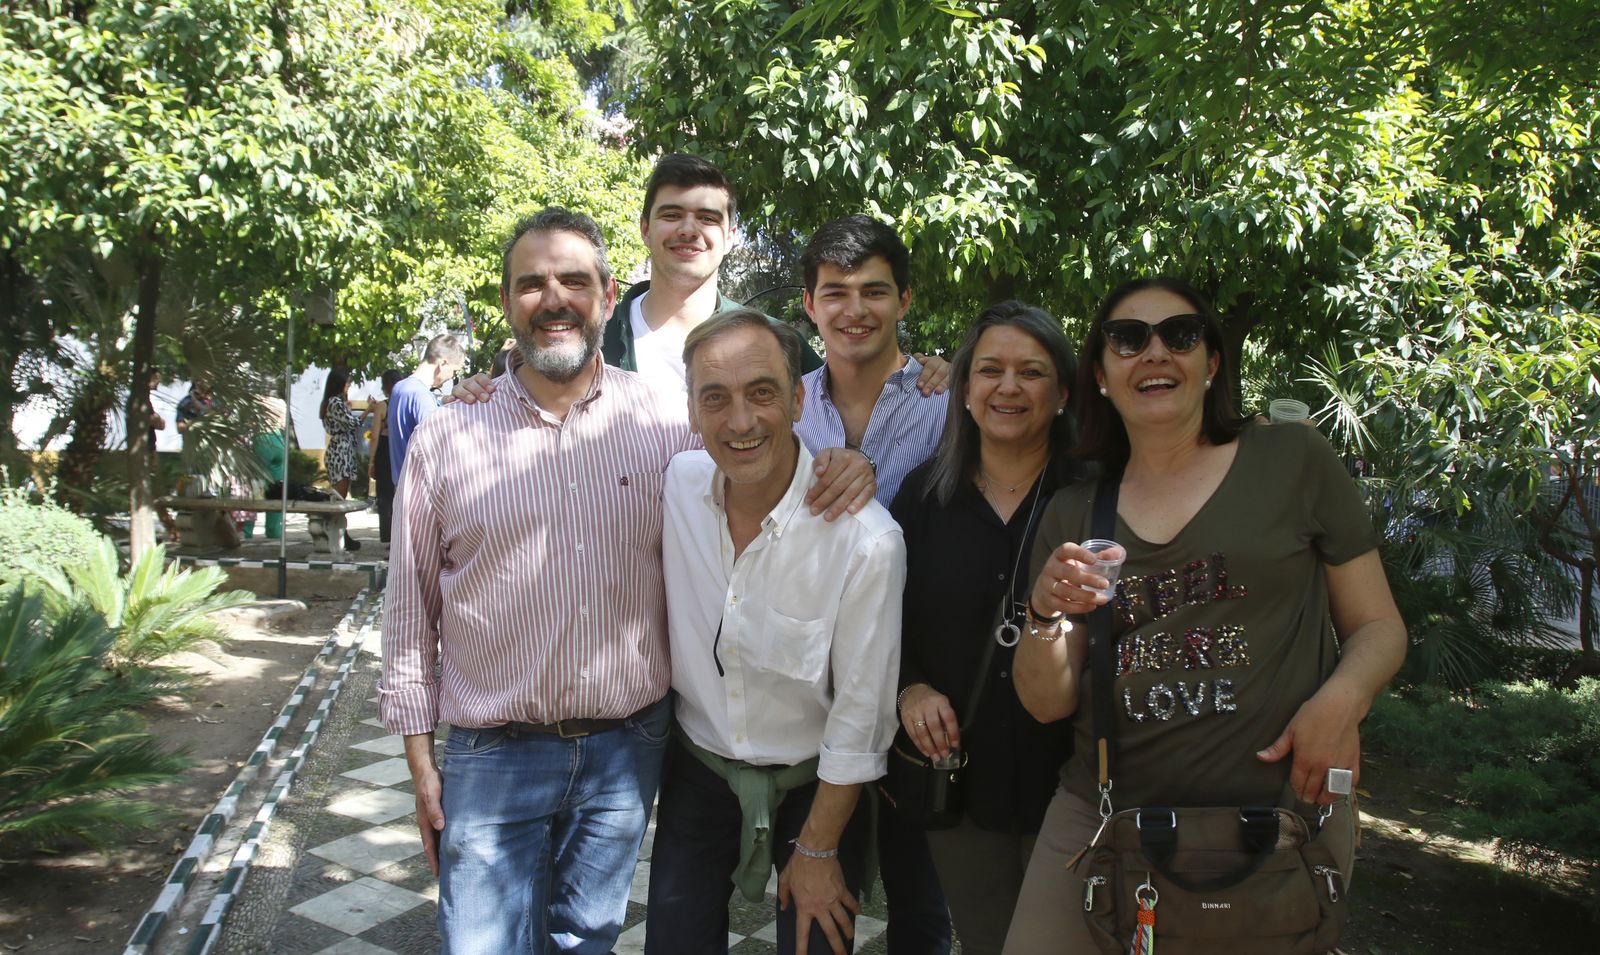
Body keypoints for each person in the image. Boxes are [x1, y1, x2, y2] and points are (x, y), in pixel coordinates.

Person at [1003, 277, 1407, 952]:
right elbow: (1046, 703)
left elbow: (1380, 626)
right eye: (1128, 338)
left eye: (1180, 334)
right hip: (1105, 815)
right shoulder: (1077, 514)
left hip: (1278, 820)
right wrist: (1045, 609)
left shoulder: (1293, 459)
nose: (1154, 351)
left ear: (1212, 362)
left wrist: (1343, 698)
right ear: (1100, 374)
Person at [381, 208, 695, 954]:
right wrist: (422, 764)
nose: (553, 299)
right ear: (505, 302)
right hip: (493, 753)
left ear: (609, 295)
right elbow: (406, 612)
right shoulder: (449, 435)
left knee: (587, 940)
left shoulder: (667, 422)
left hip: (627, 749)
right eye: (532, 284)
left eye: (573, 281)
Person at [646, 309, 904, 955]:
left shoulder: (865, 540)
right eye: (716, 398)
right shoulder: (677, 483)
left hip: (814, 788)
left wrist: (817, 847)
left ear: (796, 399)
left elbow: (861, 717)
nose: (739, 421)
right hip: (698, 770)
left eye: (761, 392)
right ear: (693, 411)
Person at [890, 302, 1083, 953]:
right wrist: (910, 687)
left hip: (1080, 789)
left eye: (1031, 371)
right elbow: (879, 623)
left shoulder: (1099, 497)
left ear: (1061, 392)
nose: (1008, 387)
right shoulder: (923, 497)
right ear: (965, 389)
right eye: (990, 369)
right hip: (962, 791)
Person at [796, 214, 953, 952]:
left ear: (904, 300)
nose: (854, 309)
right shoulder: (783, 406)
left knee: (924, 904)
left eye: (873, 291)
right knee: (819, 892)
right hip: (816, 693)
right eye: (836, 292)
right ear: (810, 305)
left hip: (923, 679)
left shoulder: (948, 403)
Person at [388, 332, 466, 481]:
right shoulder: (421, 396)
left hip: (400, 485)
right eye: (454, 371)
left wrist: (442, 401)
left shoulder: (400, 387)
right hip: (419, 488)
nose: (452, 377)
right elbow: (437, 444)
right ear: (442, 364)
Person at [320, 366, 364, 551]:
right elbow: (353, 423)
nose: (349, 386)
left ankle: (340, 533)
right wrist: (368, 409)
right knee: (339, 495)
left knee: (340, 494)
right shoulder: (335, 402)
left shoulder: (333, 403)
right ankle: (335, 532)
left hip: (341, 449)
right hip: (340, 451)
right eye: (347, 383)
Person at [366, 369, 402, 544]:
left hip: (385, 451)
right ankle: (401, 537)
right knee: (401, 495)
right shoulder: (405, 401)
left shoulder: (383, 405)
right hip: (403, 448)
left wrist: (371, 460)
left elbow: (374, 436)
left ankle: (388, 538)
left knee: (385, 496)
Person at [252, 395, 288, 540]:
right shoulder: (280, 404)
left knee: (256, 486)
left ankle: (248, 530)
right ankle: (273, 531)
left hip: (264, 438)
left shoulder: (262, 402)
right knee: (276, 488)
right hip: (277, 439)